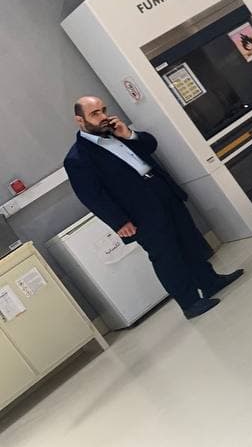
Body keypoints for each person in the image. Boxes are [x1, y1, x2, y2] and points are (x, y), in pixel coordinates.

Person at [65, 97, 243, 320]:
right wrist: (119, 222)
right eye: (95, 114)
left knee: (188, 239)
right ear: (79, 120)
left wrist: (129, 135)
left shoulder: (116, 132)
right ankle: (190, 303)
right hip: (138, 211)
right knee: (166, 255)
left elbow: (150, 146)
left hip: (161, 190)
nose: (103, 117)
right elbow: (92, 196)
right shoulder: (78, 157)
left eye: (103, 110)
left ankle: (210, 282)